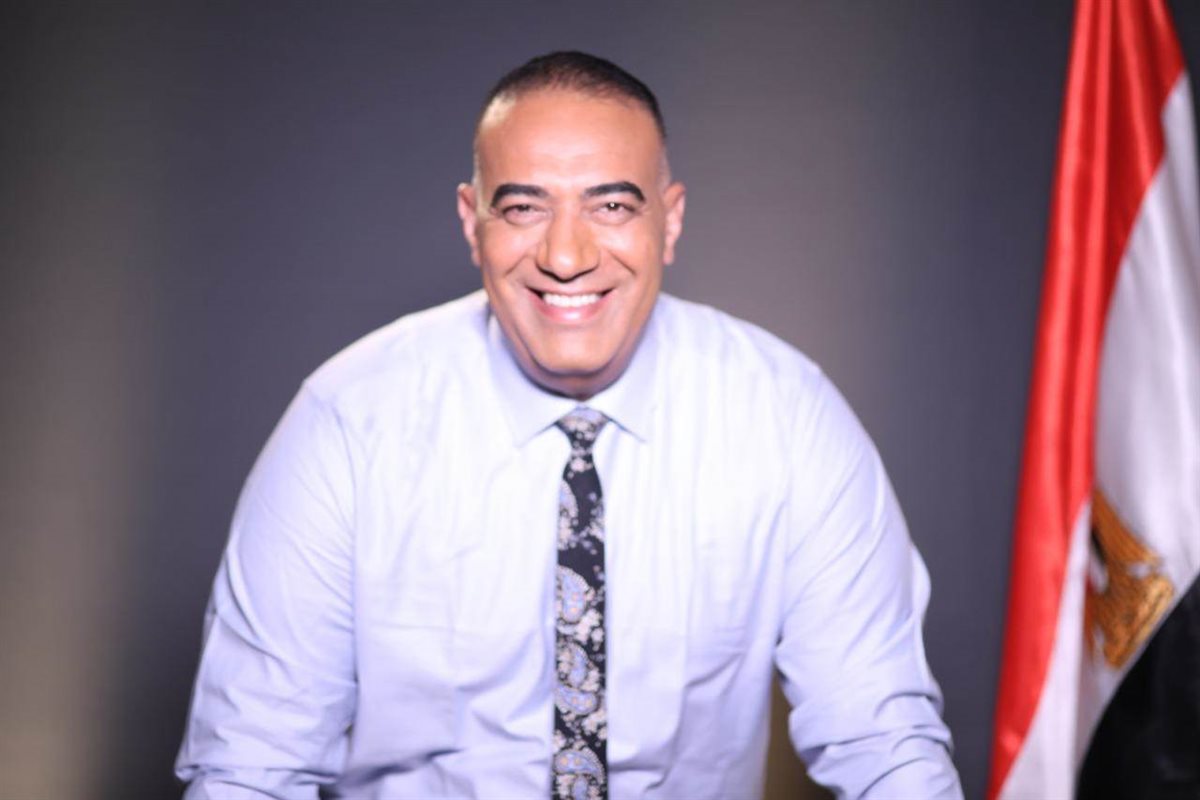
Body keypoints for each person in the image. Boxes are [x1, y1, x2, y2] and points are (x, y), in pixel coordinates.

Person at [175, 51, 963, 799]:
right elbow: (252, 768)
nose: (565, 254)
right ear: (472, 222)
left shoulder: (786, 417)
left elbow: (882, 741)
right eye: (524, 208)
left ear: (670, 221)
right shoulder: (347, 425)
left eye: (611, 206)